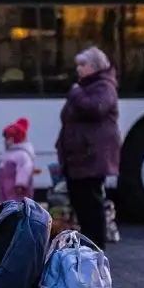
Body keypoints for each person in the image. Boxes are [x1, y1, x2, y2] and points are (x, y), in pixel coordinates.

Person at [55, 47, 120, 248]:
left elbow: (95, 108)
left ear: (95, 66)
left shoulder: (103, 86)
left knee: (90, 204)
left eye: (83, 65)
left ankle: (95, 247)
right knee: (82, 202)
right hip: (80, 158)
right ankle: (89, 245)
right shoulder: (87, 87)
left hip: (91, 157)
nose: (79, 69)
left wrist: (75, 93)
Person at [0, 117, 37, 202]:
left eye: (9, 138)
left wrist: (20, 184)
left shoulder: (22, 154)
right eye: (5, 138)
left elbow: (25, 169)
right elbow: (0, 167)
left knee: (18, 204)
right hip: (4, 186)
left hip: (16, 189)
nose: (5, 141)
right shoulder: (6, 154)